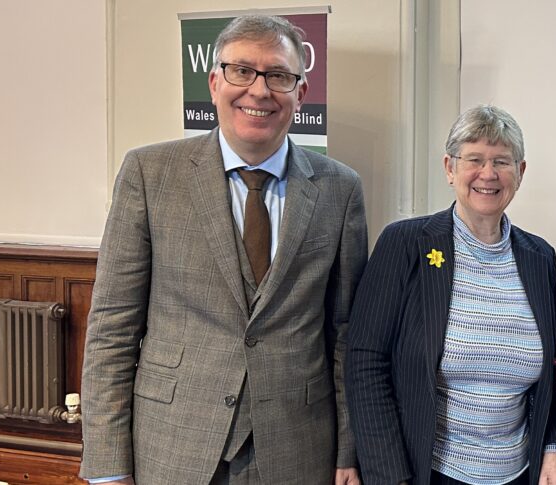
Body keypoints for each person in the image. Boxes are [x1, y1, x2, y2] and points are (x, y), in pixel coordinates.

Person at [79, 15, 366, 485]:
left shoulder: (340, 188)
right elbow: (112, 326)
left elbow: (345, 334)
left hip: (298, 449)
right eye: (241, 71)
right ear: (214, 83)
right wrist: (109, 467)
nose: (258, 90)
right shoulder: (150, 174)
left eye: (278, 75)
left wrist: (349, 450)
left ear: (301, 92)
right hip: (174, 444)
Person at [344, 105, 556, 485]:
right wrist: (388, 475)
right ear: (450, 168)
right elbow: (365, 363)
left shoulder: (539, 257)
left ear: (521, 172)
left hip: (520, 473)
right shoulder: (406, 243)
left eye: (502, 161)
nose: (488, 174)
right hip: (427, 472)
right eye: (474, 159)